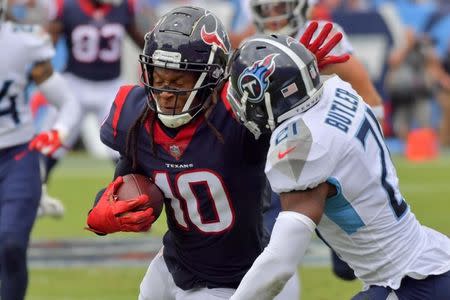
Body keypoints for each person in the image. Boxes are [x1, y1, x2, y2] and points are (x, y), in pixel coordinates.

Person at [84, 6, 346, 299]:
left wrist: (296, 82)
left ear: (213, 77)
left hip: (238, 277)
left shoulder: (238, 115)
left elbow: (305, 132)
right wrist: (101, 213)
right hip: (173, 265)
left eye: (179, 80)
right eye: (158, 78)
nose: (166, 91)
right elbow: (125, 179)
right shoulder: (135, 116)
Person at [226, 34, 450, 300]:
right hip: (430, 259)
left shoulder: (302, 145)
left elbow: (278, 265)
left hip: (409, 284)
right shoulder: (336, 88)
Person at [249, 0, 388, 280]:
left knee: (348, 267)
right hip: (283, 156)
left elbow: (369, 99)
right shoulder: (254, 45)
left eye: (279, 8)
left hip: (329, 154)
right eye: (266, 10)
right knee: (267, 247)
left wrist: (369, 157)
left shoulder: (321, 34)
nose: (273, 16)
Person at [34, 0, 146, 217]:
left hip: (110, 85)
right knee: (54, 141)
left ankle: (131, 202)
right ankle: (35, 196)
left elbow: (140, 37)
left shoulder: (124, 7)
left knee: (123, 146)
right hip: (74, 84)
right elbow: (47, 45)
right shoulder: (67, 7)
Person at [0, 0, 80, 298]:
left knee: (11, 243)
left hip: (16, 155)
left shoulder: (23, 44)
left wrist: (58, 131)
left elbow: (68, 101)